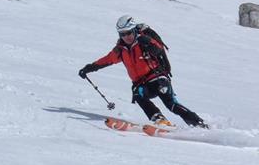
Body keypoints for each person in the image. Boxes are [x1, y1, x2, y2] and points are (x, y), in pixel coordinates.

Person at [79, 14, 207, 128]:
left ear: (134, 30)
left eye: (129, 32)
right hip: (142, 84)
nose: (126, 36)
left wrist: (149, 44)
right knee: (138, 94)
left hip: (158, 79)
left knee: (171, 105)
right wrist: (89, 68)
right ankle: (160, 120)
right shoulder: (121, 50)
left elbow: (158, 50)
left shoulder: (143, 41)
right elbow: (107, 60)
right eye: (122, 34)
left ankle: (199, 124)